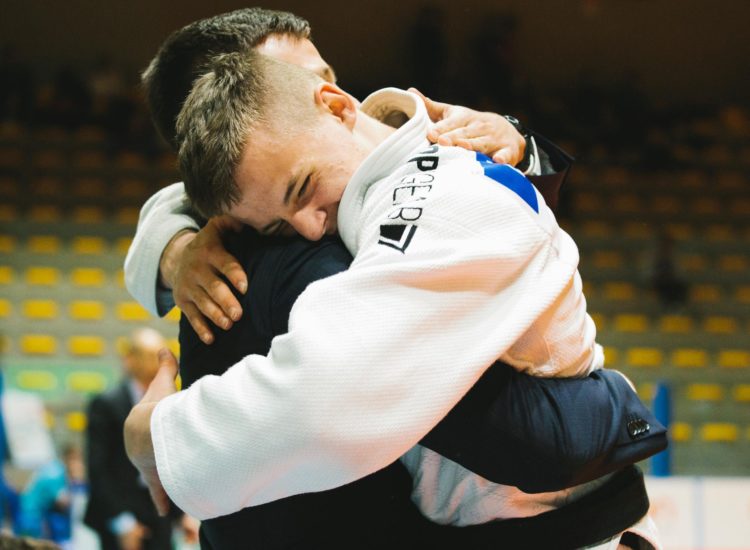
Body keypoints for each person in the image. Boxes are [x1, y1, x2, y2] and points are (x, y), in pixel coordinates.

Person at [126, 49, 664, 548]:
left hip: (574, 531)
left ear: (335, 105)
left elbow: (330, 393)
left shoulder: (446, 195)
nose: (309, 227)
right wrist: (172, 245)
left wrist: (158, 435)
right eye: (276, 224)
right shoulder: (354, 183)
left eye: (301, 189)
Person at [123, 8, 573, 345]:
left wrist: (519, 145)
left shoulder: (419, 129)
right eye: (288, 83)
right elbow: (167, 208)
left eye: (326, 77)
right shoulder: (241, 226)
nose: (337, 100)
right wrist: (177, 253)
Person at [83, 328, 198, 550]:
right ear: (130, 358)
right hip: (119, 514)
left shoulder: (170, 403)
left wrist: (182, 514)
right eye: (146, 355)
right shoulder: (106, 404)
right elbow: (98, 469)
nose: (153, 363)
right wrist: (121, 521)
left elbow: (170, 461)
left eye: (158, 355)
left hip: (158, 512)